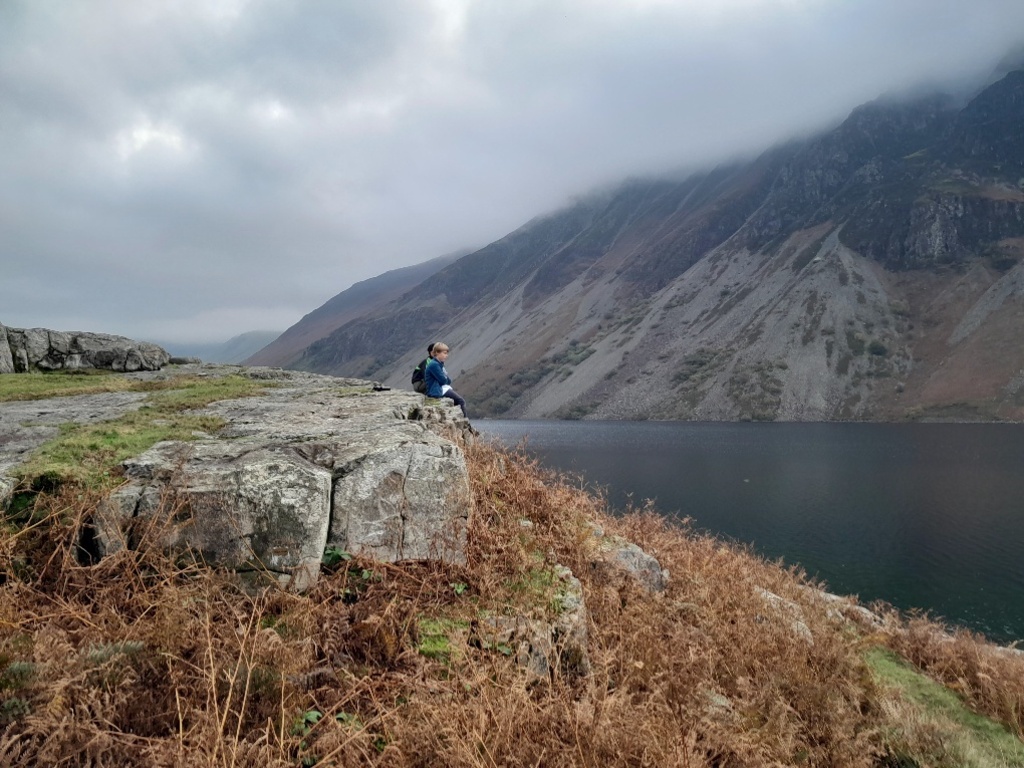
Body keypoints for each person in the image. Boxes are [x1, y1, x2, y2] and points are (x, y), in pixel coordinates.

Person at [424, 342, 467, 417]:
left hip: (440, 388)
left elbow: (448, 380)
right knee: (461, 401)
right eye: (444, 353)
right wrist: (445, 378)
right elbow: (444, 380)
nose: (446, 356)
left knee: (458, 402)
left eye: (446, 353)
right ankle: (466, 423)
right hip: (437, 390)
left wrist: (445, 378)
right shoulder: (434, 365)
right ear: (437, 353)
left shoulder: (438, 364)